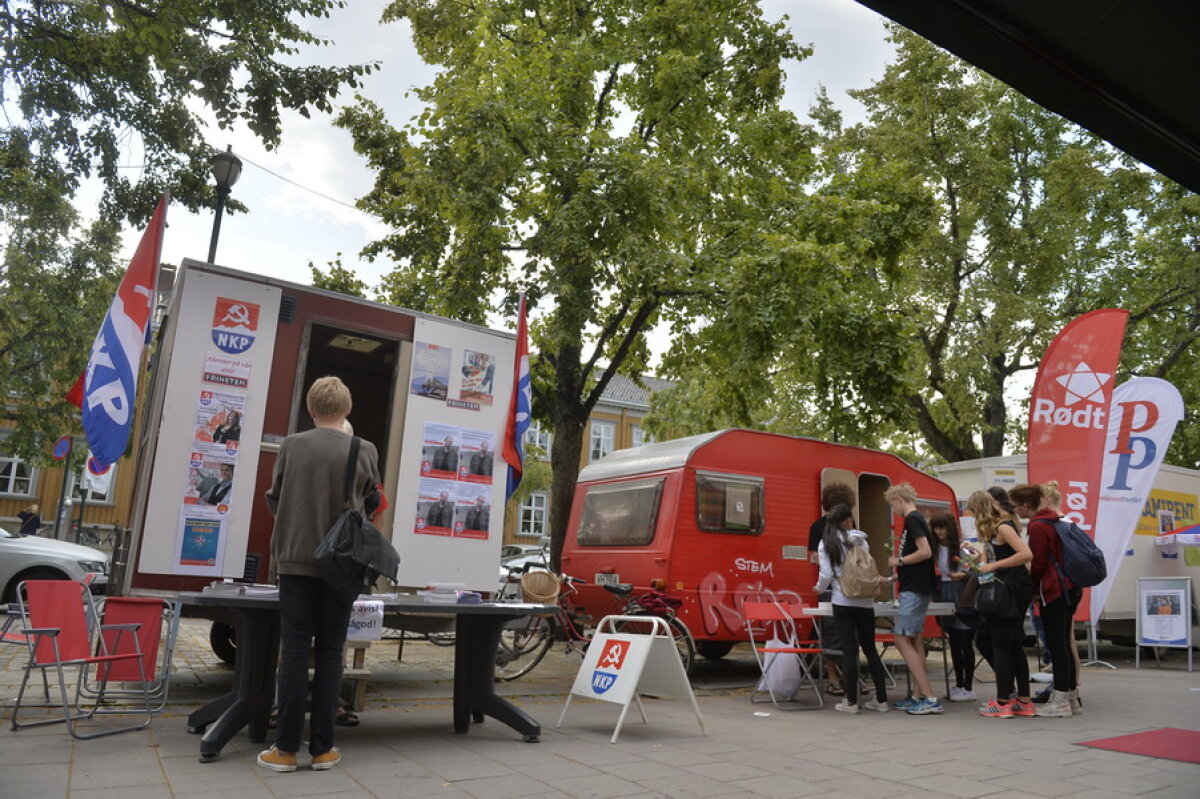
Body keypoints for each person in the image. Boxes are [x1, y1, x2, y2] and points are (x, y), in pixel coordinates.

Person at [258, 376, 381, 773]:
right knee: (331, 652)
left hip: (295, 559)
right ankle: (324, 749)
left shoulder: (292, 445)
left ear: (310, 410)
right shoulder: (365, 449)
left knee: (294, 649)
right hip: (342, 567)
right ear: (347, 410)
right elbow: (373, 501)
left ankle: (285, 750)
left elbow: (275, 497)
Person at [1011, 482, 1081, 718]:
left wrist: (1031, 588)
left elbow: (1038, 562)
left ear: (1026, 505)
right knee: (1063, 643)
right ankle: (1070, 697)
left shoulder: (1038, 526)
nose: (1015, 511)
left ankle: (1060, 700)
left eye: (1016, 506)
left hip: (1053, 590)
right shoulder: (1056, 520)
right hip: (1069, 587)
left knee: (1057, 645)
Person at [814, 504, 892, 714]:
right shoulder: (862, 541)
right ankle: (882, 700)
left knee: (849, 651)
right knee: (870, 650)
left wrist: (818, 588)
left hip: (843, 600)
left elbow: (827, 573)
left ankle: (851, 702)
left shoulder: (827, 543)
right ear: (848, 520)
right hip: (866, 602)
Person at [965, 489, 1035, 719]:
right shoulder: (994, 530)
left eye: (973, 513)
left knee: (1002, 643)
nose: (972, 518)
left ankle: (1003, 701)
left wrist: (993, 566)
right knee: (1012, 644)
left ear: (980, 510)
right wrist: (978, 561)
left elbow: (1026, 554)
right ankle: (1023, 700)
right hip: (1009, 588)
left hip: (1011, 590)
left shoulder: (1003, 527)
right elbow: (991, 558)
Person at [884, 482, 942, 715]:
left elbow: (925, 552)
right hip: (918, 586)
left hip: (914, 589)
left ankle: (929, 697)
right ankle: (918, 695)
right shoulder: (916, 520)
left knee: (901, 640)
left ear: (899, 499)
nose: (894, 510)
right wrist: (893, 577)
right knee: (915, 640)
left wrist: (899, 561)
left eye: (892, 505)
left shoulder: (913, 519)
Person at [807, 483, 855, 696]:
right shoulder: (819, 527)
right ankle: (834, 678)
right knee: (832, 634)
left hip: (836, 586)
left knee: (840, 634)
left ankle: (844, 678)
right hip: (831, 586)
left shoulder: (847, 526)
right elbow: (812, 556)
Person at [930, 510, 977, 702]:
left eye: (942, 527)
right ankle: (959, 684)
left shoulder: (961, 549)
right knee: (955, 642)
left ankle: (968, 686)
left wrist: (963, 576)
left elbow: (975, 572)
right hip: (943, 592)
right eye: (936, 527)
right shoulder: (932, 548)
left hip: (961, 593)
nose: (939, 532)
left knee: (965, 640)